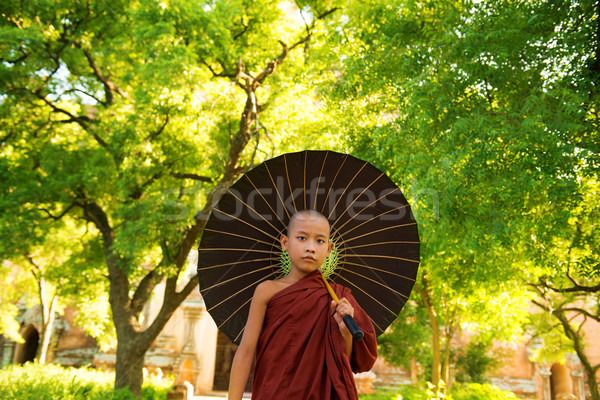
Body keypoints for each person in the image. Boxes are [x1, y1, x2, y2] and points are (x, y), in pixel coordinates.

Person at [228, 209, 378, 399]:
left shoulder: (338, 298)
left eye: (320, 241)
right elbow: (245, 352)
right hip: (274, 393)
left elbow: (342, 364)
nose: (311, 247)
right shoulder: (267, 291)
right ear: (285, 243)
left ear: (329, 249)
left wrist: (345, 332)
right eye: (301, 238)